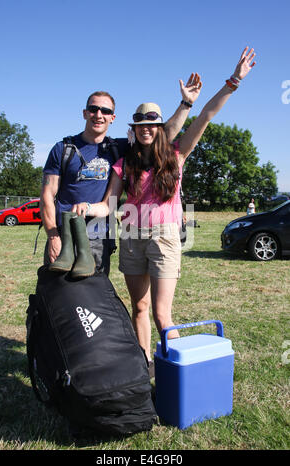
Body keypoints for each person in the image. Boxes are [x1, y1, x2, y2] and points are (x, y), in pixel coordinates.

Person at [73, 47, 256, 371]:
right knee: (139, 308)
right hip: (131, 237)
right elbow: (108, 204)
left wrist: (233, 82)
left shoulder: (176, 154)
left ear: (159, 127)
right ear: (135, 128)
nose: (146, 127)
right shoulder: (124, 162)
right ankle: (143, 371)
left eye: (152, 123)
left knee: (161, 313)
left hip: (164, 237)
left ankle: (172, 376)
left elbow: (206, 116)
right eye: (140, 122)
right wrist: (88, 207)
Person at [40, 84, 198, 276]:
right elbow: (47, 195)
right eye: (93, 109)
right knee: (57, 294)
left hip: (99, 237)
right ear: (85, 113)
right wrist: (53, 235)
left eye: (105, 111)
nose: (98, 114)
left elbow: (162, 134)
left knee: (94, 297)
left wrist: (186, 103)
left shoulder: (120, 149)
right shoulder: (63, 149)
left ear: (112, 118)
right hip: (64, 233)